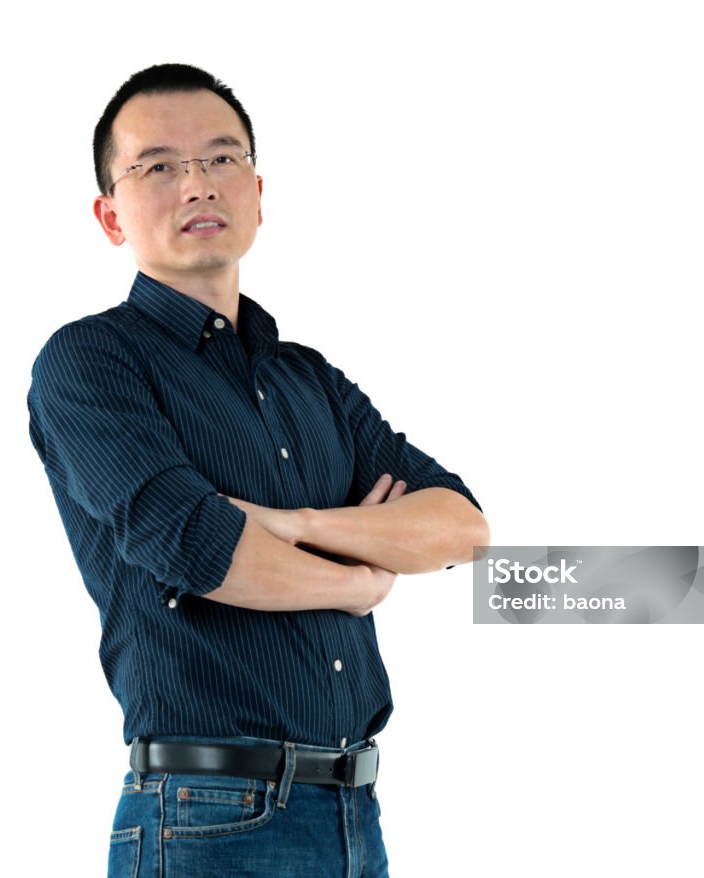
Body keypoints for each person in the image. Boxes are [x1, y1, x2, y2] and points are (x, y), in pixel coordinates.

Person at [27, 63, 488, 878]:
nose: (197, 183)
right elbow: (197, 546)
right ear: (110, 216)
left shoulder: (307, 378)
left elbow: (460, 525)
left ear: (259, 192)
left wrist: (299, 525)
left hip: (353, 812)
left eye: (221, 159)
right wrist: (356, 578)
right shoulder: (92, 361)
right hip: (207, 820)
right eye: (159, 166)